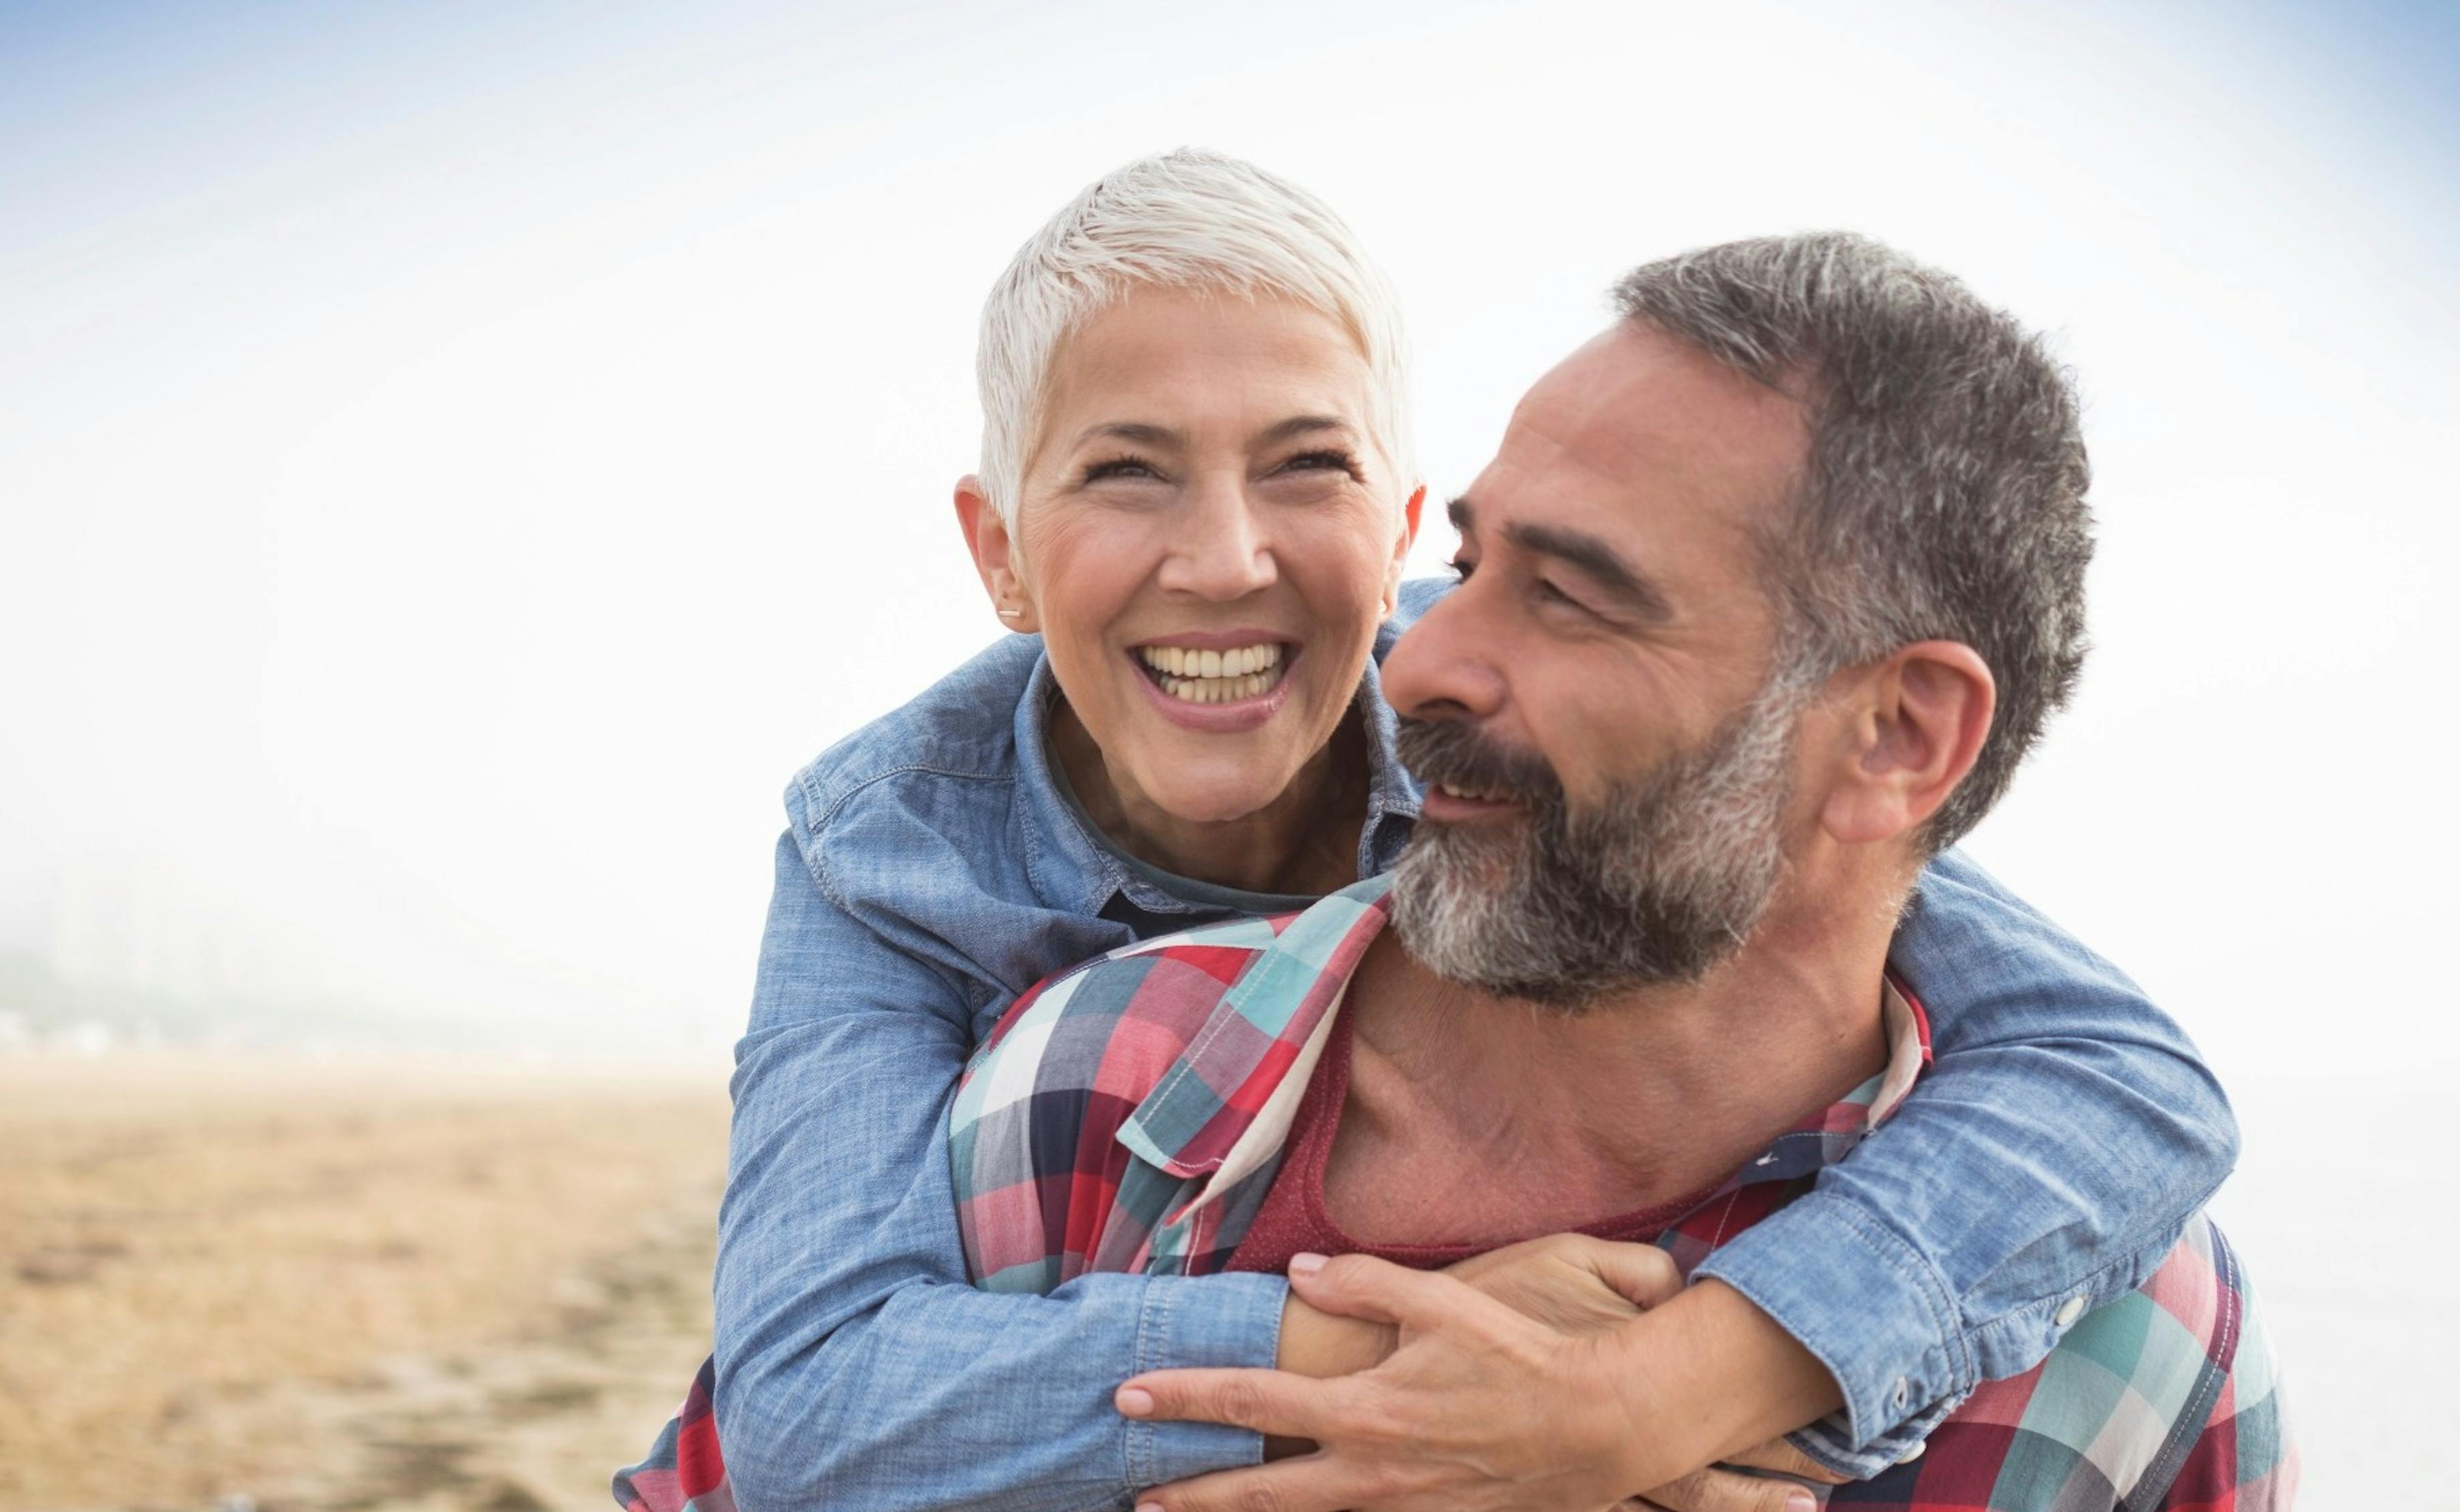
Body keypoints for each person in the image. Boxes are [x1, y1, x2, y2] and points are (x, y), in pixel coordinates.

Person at [614, 155, 2239, 1512]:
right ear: (1003, 557)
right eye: (1128, 472)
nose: (1229, 560)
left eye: (1305, 469)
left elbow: (2106, 1065)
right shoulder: (893, 862)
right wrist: (1400, 1357)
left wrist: (1669, 1380)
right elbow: (814, 1398)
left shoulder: (1473, 719)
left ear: (1399, 530)